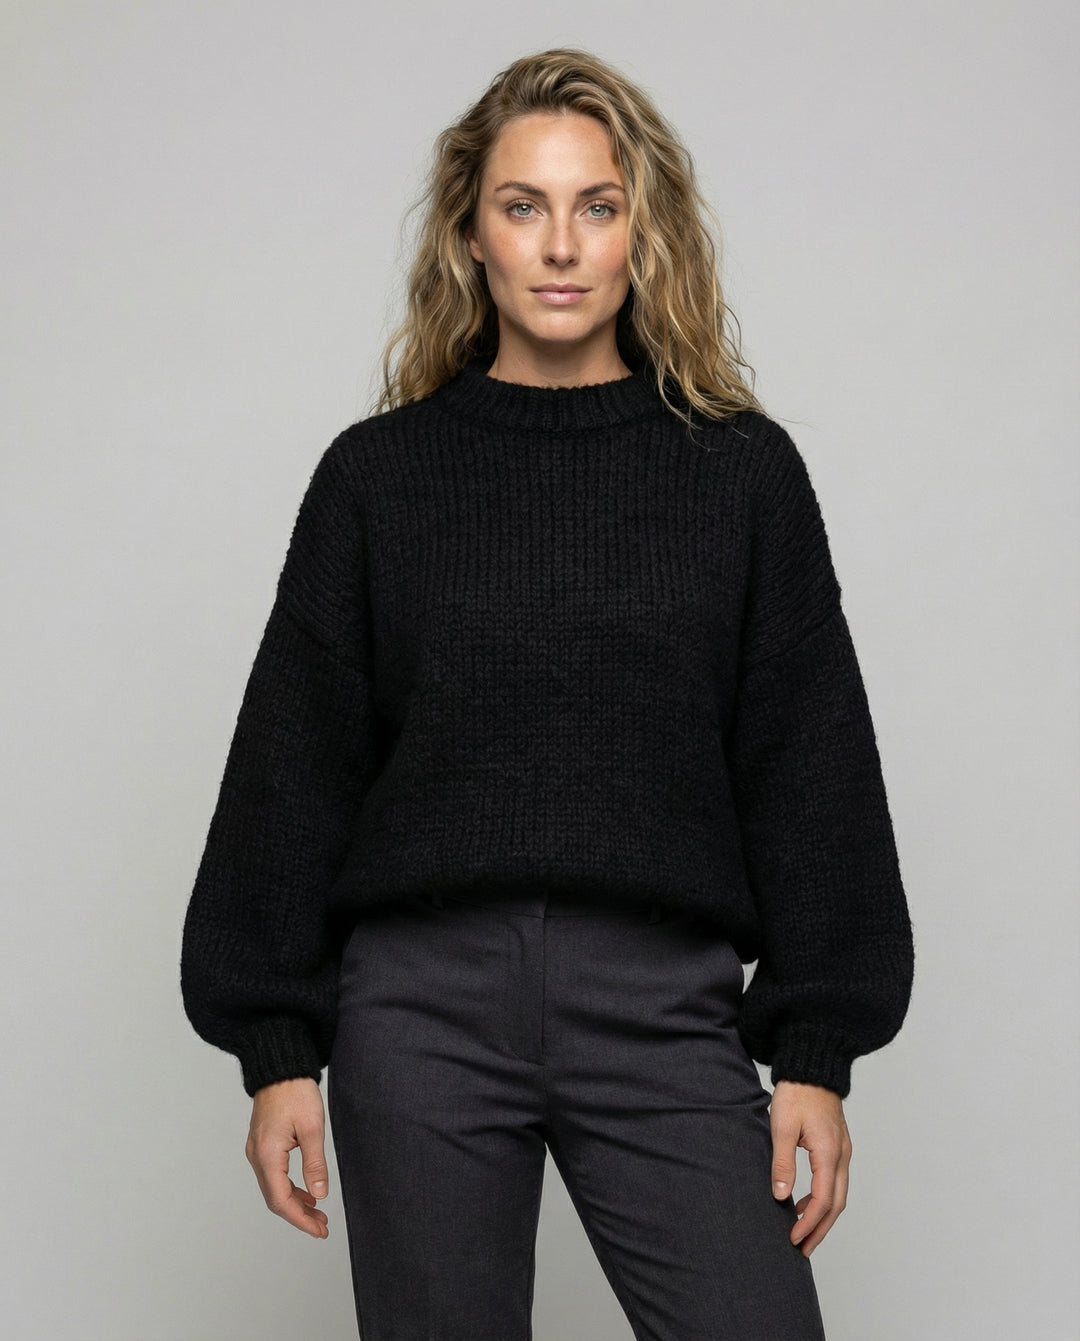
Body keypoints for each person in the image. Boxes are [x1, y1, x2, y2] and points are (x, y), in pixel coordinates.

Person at [180, 46, 914, 1341]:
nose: (561, 245)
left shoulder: (740, 476)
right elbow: (296, 762)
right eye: (523, 206)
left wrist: (816, 1051)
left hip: (660, 1000)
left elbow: (811, 761)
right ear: (471, 235)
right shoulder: (378, 479)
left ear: (644, 230)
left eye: (597, 205)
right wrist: (276, 1049)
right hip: (420, 1009)